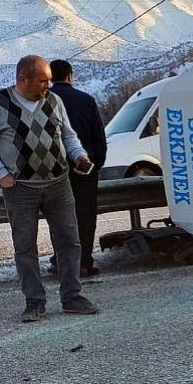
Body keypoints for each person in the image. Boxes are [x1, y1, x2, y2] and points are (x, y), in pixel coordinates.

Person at [0, 55, 100, 322]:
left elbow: (68, 135)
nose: (48, 85)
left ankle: (72, 295)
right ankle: (34, 301)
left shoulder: (54, 101)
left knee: (70, 241)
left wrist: (79, 156)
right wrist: (1, 174)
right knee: (25, 246)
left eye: (48, 80)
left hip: (59, 183)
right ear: (22, 79)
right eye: (42, 81)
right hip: (20, 187)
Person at [49, 59, 108, 277]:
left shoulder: (44, 102)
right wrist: (96, 165)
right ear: (70, 76)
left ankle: (61, 263)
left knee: (59, 217)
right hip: (85, 168)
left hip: (54, 170)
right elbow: (99, 139)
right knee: (85, 216)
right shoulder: (86, 100)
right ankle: (84, 262)